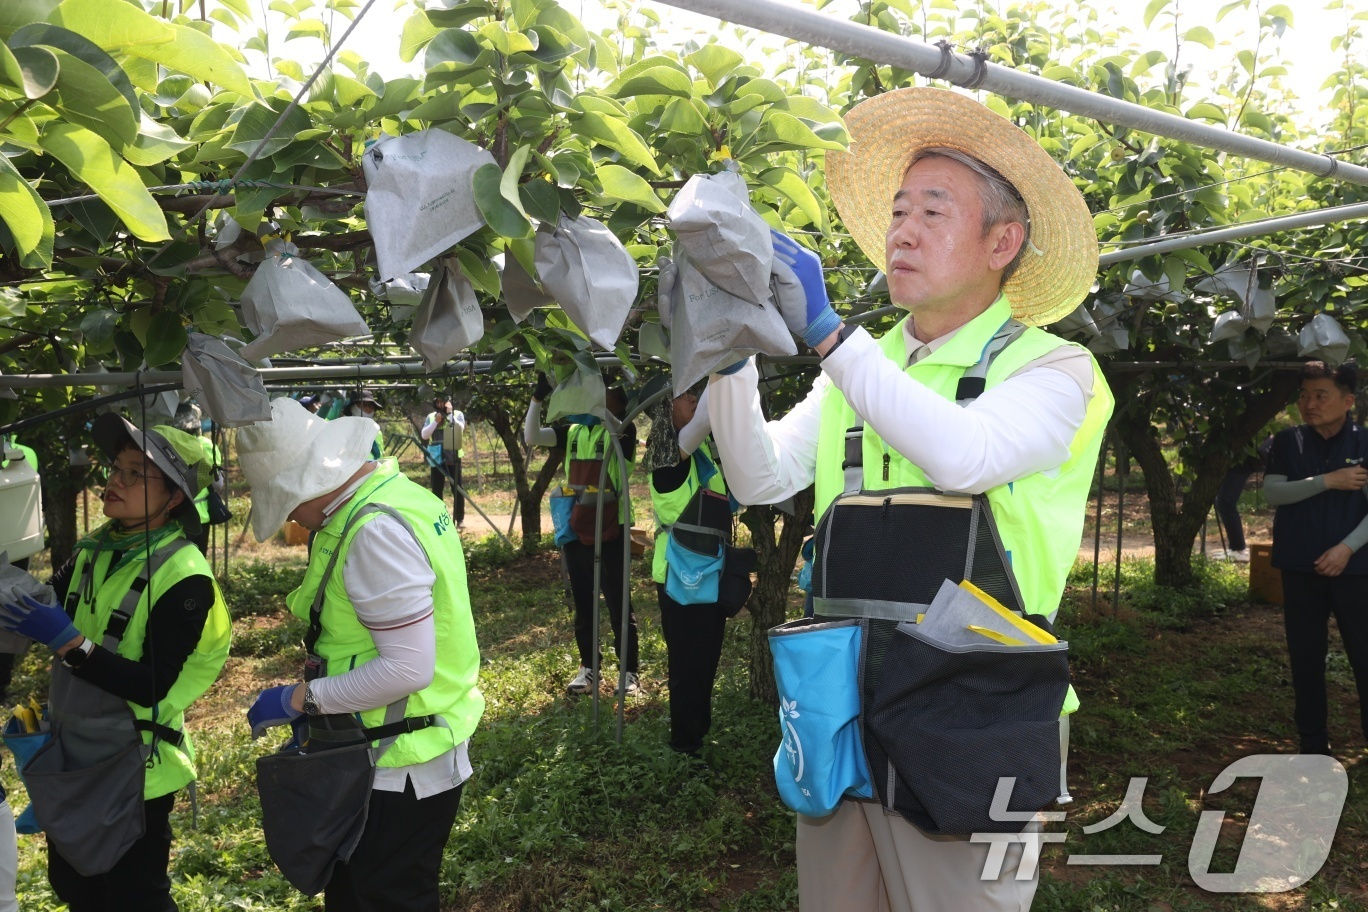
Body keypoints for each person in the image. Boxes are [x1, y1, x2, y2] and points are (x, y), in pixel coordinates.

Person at [701, 87, 1112, 910]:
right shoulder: (864, 367)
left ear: (1004, 241)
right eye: (897, 211)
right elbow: (760, 476)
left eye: (933, 209)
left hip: (975, 714)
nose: (903, 230)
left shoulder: (1052, 371)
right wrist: (726, 353)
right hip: (842, 706)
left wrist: (828, 335)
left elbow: (966, 456)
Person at [238, 398, 484, 910]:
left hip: (399, 762)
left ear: (305, 483)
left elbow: (407, 667)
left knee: (385, 896)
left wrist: (301, 699)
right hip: (392, 745)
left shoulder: (373, 531)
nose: (293, 518)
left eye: (287, 502)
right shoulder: (392, 495)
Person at [0, 414, 231, 911]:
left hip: (135, 767)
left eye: (134, 474)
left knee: (132, 895)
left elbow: (150, 684)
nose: (114, 482)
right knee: (75, 884)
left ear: (174, 498)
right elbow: (46, 600)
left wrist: (69, 643)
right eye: (115, 469)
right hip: (77, 753)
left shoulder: (185, 577)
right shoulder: (95, 550)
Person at [1263, 360, 1368, 756]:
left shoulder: (1364, 443)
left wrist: (1346, 549)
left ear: (1347, 400)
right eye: (1304, 396)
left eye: (1321, 395)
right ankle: (1313, 743)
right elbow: (1273, 493)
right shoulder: (1288, 442)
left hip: (1356, 568)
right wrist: (1330, 481)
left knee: (1364, 653)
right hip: (1300, 565)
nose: (1310, 403)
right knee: (1305, 655)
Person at [525, 377, 641, 696]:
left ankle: (629, 673)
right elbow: (532, 435)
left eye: (605, 393)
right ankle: (589, 668)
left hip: (611, 527)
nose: (596, 398)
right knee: (584, 601)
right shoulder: (574, 432)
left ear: (618, 401)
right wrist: (538, 398)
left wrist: (596, 405)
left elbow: (617, 428)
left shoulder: (623, 431)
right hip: (577, 525)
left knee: (618, 601)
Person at [647, 383, 734, 758]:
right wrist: (723, 367)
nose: (695, 400)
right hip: (681, 577)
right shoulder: (669, 459)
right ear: (667, 408)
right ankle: (684, 745)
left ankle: (698, 734)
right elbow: (704, 419)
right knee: (687, 663)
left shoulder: (700, 457)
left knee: (706, 658)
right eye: (686, 396)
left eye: (698, 393)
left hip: (708, 571)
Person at [171, 403, 221, 553]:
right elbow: (218, 483)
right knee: (198, 561)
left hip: (175, 516)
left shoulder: (168, 445)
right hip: (202, 516)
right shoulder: (206, 445)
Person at [421, 397, 467, 527]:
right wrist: (436, 422)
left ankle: (460, 519)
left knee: (457, 488)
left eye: (443, 402)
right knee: (437, 488)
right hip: (437, 457)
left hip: (453, 456)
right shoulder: (431, 416)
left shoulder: (458, 415)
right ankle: (439, 517)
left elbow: (460, 429)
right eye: (438, 402)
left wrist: (450, 414)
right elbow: (424, 435)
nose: (440, 405)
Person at [346, 389, 385, 460]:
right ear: (352, 408)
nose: (367, 408)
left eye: (370, 406)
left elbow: (380, 455)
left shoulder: (376, 430)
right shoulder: (345, 429)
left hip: (376, 468)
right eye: (363, 405)